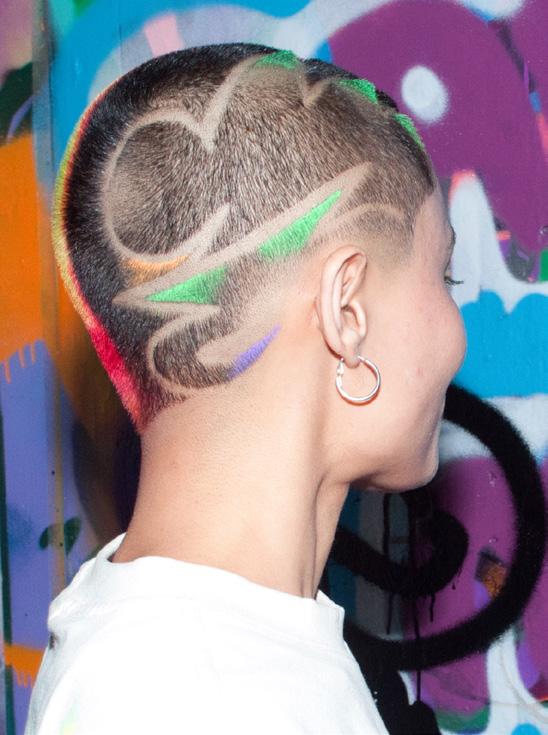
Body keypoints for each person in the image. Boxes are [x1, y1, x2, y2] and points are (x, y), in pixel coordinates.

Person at [25, 42, 466, 734]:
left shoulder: (197, 648)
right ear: (347, 311)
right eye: (444, 276)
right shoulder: (205, 698)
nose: (457, 332)